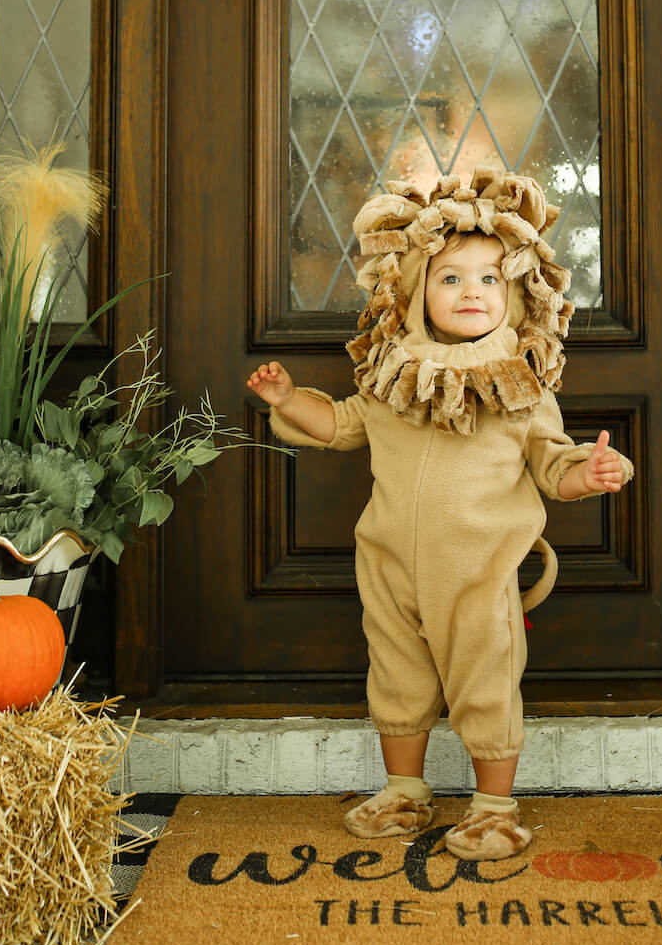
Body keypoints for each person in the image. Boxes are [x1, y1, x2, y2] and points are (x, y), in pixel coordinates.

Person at [247, 169, 633, 861]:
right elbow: (337, 423)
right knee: (396, 679)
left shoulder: (519, 383)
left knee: (484, 682)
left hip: (479, 574)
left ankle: (493, 807)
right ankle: (404, 790)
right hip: (391, 566)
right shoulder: (394, 377)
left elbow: (552, 463)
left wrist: (590, 472)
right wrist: (285, 400)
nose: (472, 293)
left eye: (490, 280)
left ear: (515, 294)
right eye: (450, 278)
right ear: (416, 290)